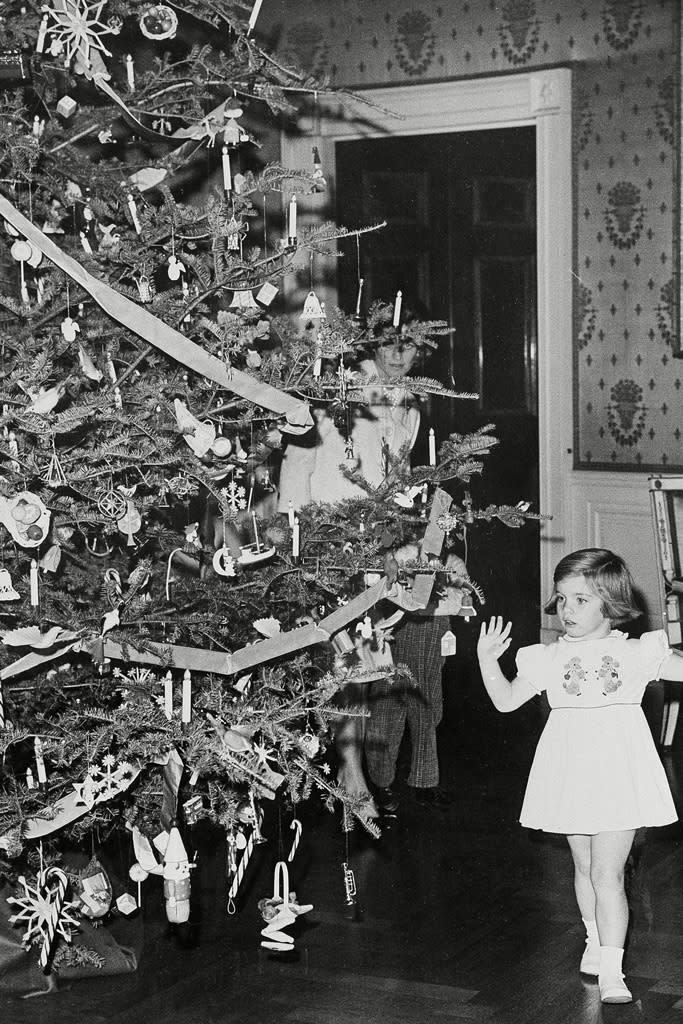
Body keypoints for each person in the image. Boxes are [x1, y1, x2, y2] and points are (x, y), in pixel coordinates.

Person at [476, 548, 683, 1005]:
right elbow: (507, 701)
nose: (567, 610)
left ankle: (613, 970)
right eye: (562, 598)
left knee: (608, 872)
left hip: (617, 775)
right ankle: (594, 940)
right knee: (585, 867)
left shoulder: (633, 654)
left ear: (611, 604)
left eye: (581, 600)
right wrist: (489, 661)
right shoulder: (547, 657)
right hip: (569, 772)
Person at [277, 330, 423, 817]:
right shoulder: (341, 389)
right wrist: (290, 530)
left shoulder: (412, 410)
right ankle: (348, 777)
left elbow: (396, 483)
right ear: (372, 349)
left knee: (359, 664)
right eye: (390, 345)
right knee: (339, 663)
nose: (400, 356)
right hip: (320, 536)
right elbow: (299, 453)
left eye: (411, 347)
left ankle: (347, 772)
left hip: (370, 543)